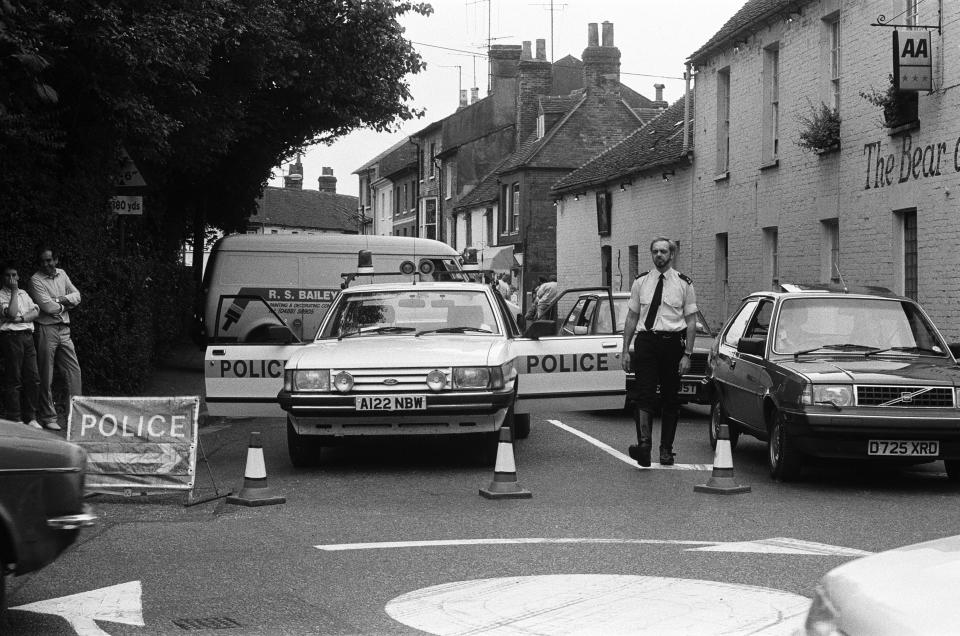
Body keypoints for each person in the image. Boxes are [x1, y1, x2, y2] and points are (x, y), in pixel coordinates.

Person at [621, 238, 697, 467]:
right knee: (644, 394)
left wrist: (688, 354)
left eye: (663, 251)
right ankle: (644, 446)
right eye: (655, 251)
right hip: (646, 342)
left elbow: (691, 321)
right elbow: (632, 317)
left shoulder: (684, 284)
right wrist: (625, 349)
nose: (659, 255)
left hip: (672, 343)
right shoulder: (641, 282)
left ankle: (666, 451)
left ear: (671, 255)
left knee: (670, 398)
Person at [28, 246, 82, 431]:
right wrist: (66, 303)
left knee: (74, 373)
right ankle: (48, 417)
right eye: (42, 261)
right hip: (46, 329)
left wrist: (58, 300)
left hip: (64, 330)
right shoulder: (35, 280)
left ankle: (75, 416)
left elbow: (78, 296)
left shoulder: (62, 274)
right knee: (46, 374)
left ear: (56, 260)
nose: (46, 264)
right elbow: (47, 307)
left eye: (49, 260)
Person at [0, 261, 42, 428]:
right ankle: (15, 418)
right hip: (11, 338)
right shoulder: (1, 295)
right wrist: (14, 292)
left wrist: (22, 318)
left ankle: (31, 417)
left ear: (18, 276)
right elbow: (10, 313)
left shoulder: (24, 293)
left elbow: (36, 311)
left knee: (33, 378)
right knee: (14, 378)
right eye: (8, 275)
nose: (12, 279)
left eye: (14, 275)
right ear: (3, 278)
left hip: (27, 337)